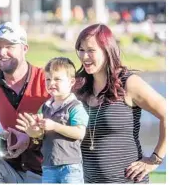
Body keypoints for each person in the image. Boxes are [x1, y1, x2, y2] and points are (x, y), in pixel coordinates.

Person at [74, 24, 166, 183]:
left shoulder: (129, 83)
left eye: (91, 50)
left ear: (107, 50)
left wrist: (155, 158)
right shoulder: (79, 87)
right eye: (81, 50)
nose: (84, 56)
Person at [0, 22, 50, 183]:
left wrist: (31, 138)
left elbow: (68, 125)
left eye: (9, 46)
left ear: (24, 49)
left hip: (46, 172)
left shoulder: (47, 80)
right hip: (7, 170)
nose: (2, 52)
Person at [16, 57, 89, 183]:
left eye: (57, 79)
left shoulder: (75, 106)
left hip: (70, 166)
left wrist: (55, 126)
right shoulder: (45, 107)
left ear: (71, 82)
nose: (51, 83)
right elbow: (40, 135)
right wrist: (34, 131)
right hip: (48, 166)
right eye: (48, 79)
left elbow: (80, 133)